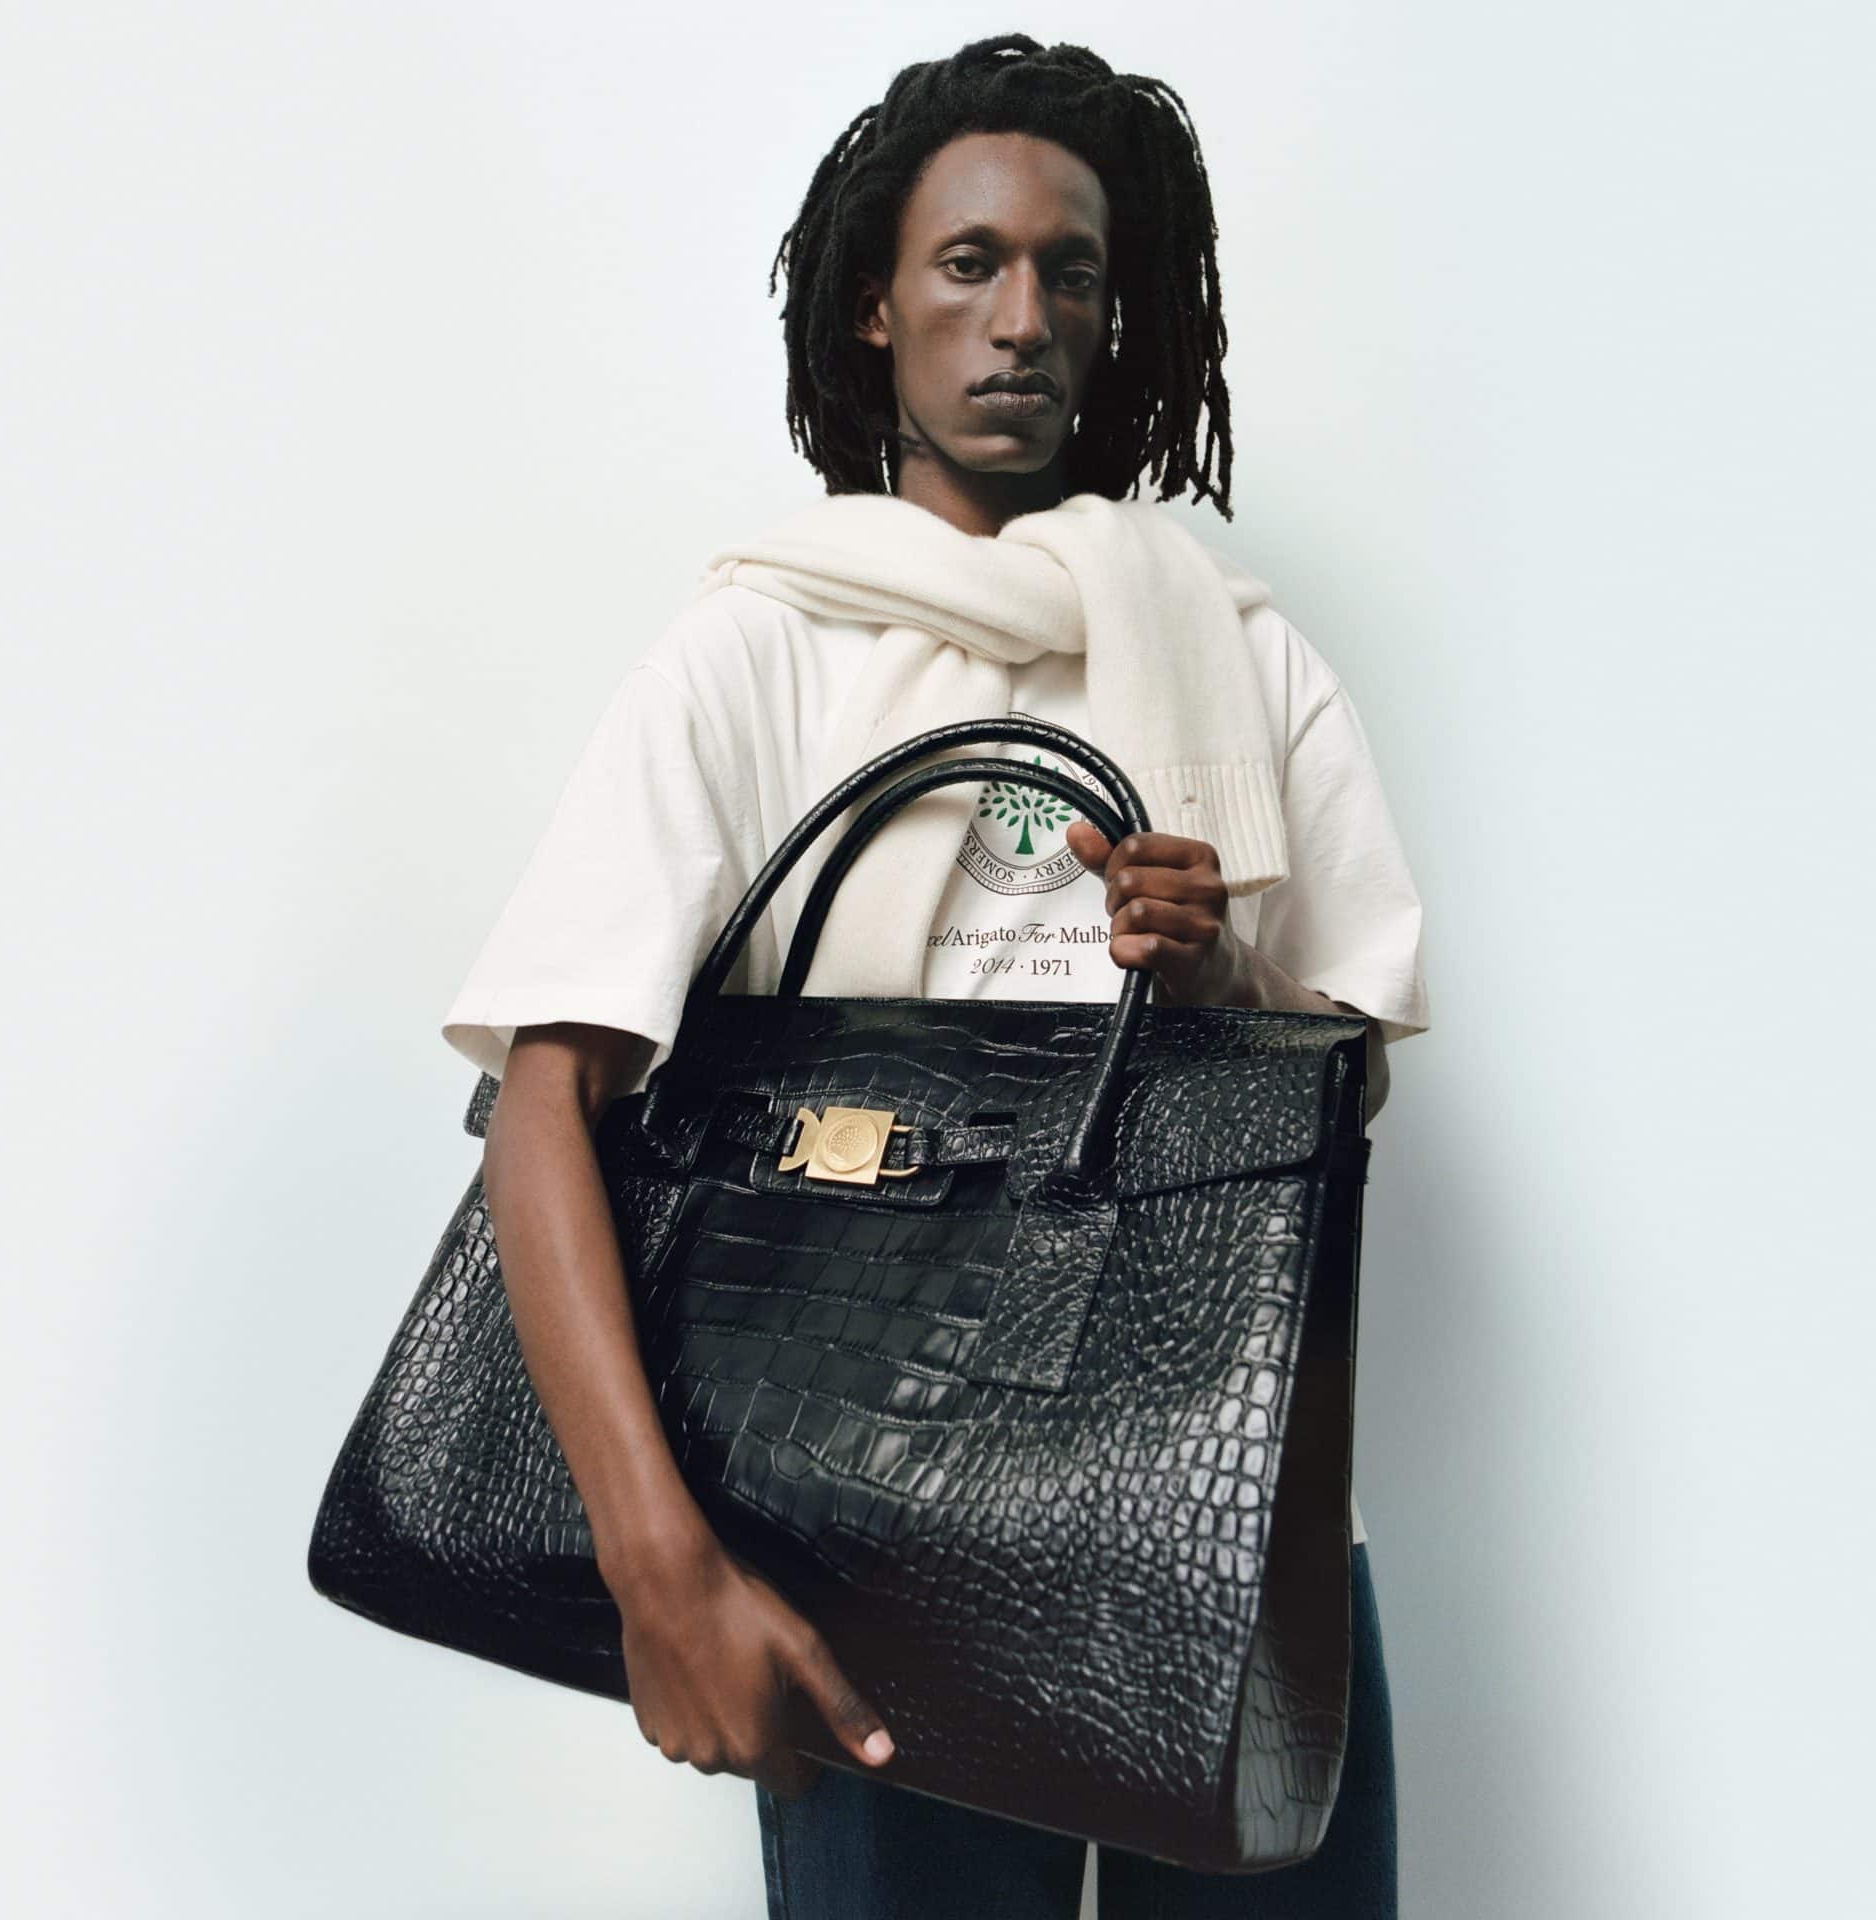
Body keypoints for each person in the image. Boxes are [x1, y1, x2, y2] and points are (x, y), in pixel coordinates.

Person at [439, 33, 1429, 1920]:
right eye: (969, 262)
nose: (1022, 318)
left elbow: (1339, 1085)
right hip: (864, 1527)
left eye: (1072, 272)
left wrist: (1218, 980)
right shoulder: (759, 653)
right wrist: (663, 1569)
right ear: (875, 306)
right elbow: (546, 1095)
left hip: (1218, 1517)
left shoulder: (1241, 655)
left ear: (1119, 318)